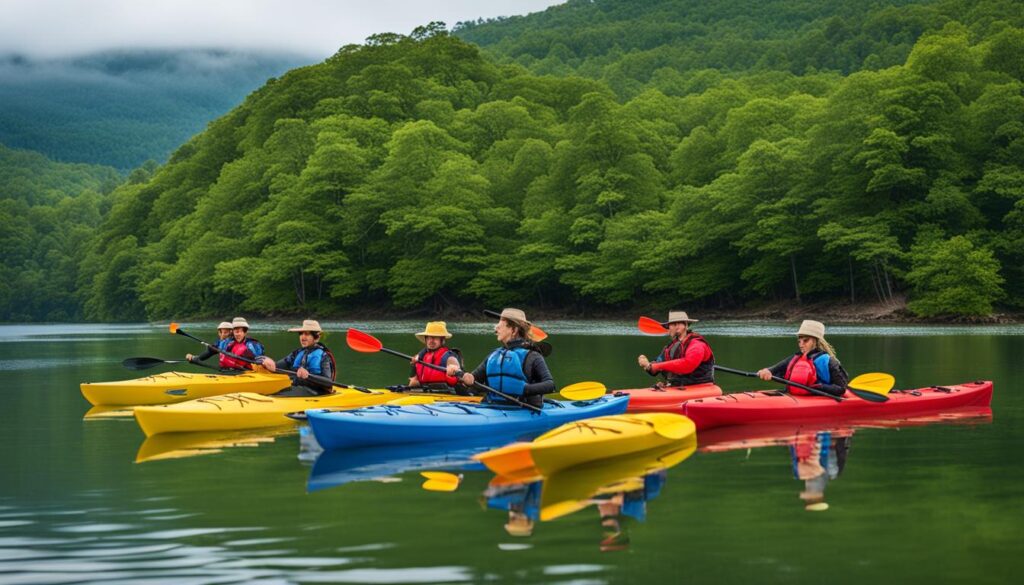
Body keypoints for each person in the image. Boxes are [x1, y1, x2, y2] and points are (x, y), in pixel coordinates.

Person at [448, 308, 555, 408]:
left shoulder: (532, 356)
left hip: (523, 409)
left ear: (514, 330)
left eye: (501, 324)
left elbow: (550, 384)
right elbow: (474, 379)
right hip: (493, 406)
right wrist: (460, 374)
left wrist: (524, 389)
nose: (496, 327)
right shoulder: (494, 356)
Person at [757, 320, 849, 397]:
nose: (801, 345)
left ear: (815, 341)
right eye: (799, 341)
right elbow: (775, 369)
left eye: (805, 340)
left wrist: (817, 387)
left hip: (819, 398)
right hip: (793, 395)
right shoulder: (796, 358)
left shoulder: (829, 362)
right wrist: (767, 371)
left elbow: (841, 389)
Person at [259, 319, 336, 396]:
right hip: (297, 388)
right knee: (272, 394)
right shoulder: (297, 353)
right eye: (301, 334)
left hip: (315, 392)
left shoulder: (324, 356)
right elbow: (276, 367)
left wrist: (309, 376)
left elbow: (328, 382)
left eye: (307, 334)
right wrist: (267, 362)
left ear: (316, 337)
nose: (303, 337)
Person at [637, 311, 715, 387]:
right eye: (669, 326)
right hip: (677, 387)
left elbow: (688, 365)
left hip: (700, 387)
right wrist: (648, 365)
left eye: (670, 326)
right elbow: (658, 364)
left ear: (681, 326)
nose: (668, 329)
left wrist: (657, 366)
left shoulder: (697, 344)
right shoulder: (670, 347)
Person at [407, 321, 464, 392]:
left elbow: (458, 372)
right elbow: (412, 382)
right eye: (428, 338)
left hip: (445, 396)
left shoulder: (449, 357)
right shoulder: (421, 356)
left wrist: (455, 370)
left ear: (442, 340)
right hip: (424, 393)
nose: (431, 341)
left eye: (435, 338)